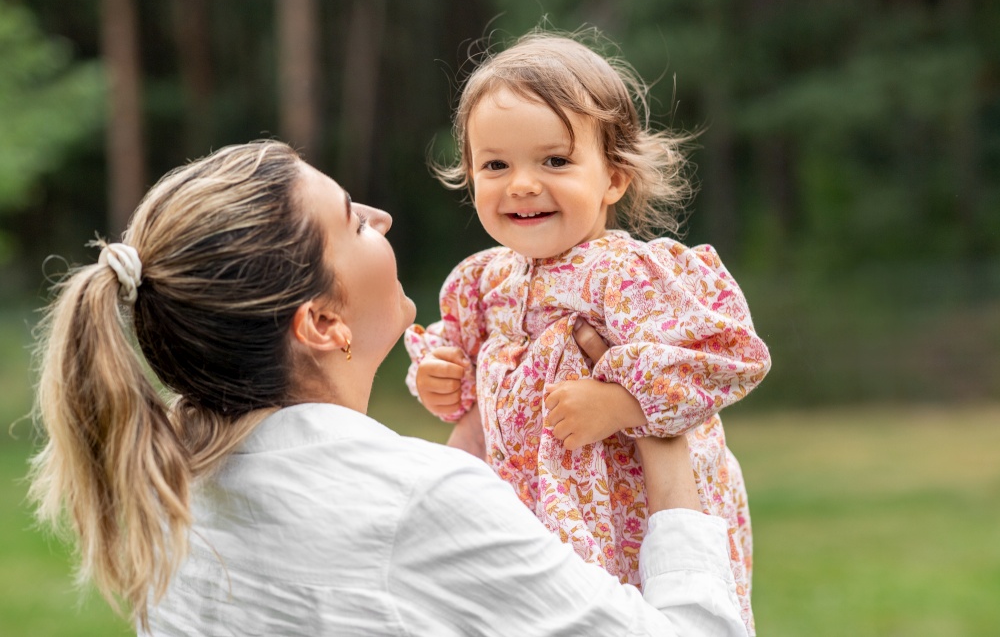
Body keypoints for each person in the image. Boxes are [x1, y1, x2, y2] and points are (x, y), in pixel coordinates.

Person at [28, 140, 749, 636]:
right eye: (353, 222)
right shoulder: (415, 503)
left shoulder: (173, 491)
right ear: (321, 321)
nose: (384, 218)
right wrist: (663, 425)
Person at [405, 31, 771, 634]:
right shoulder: (482, 281)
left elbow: (728, 354)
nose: (521, 183)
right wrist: (439, 379)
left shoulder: (627, 275)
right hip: (529, 510)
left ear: (614, 179)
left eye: (554, 161)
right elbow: (461, 361)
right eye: (495, 165)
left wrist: (622, 400)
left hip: (628, 510)